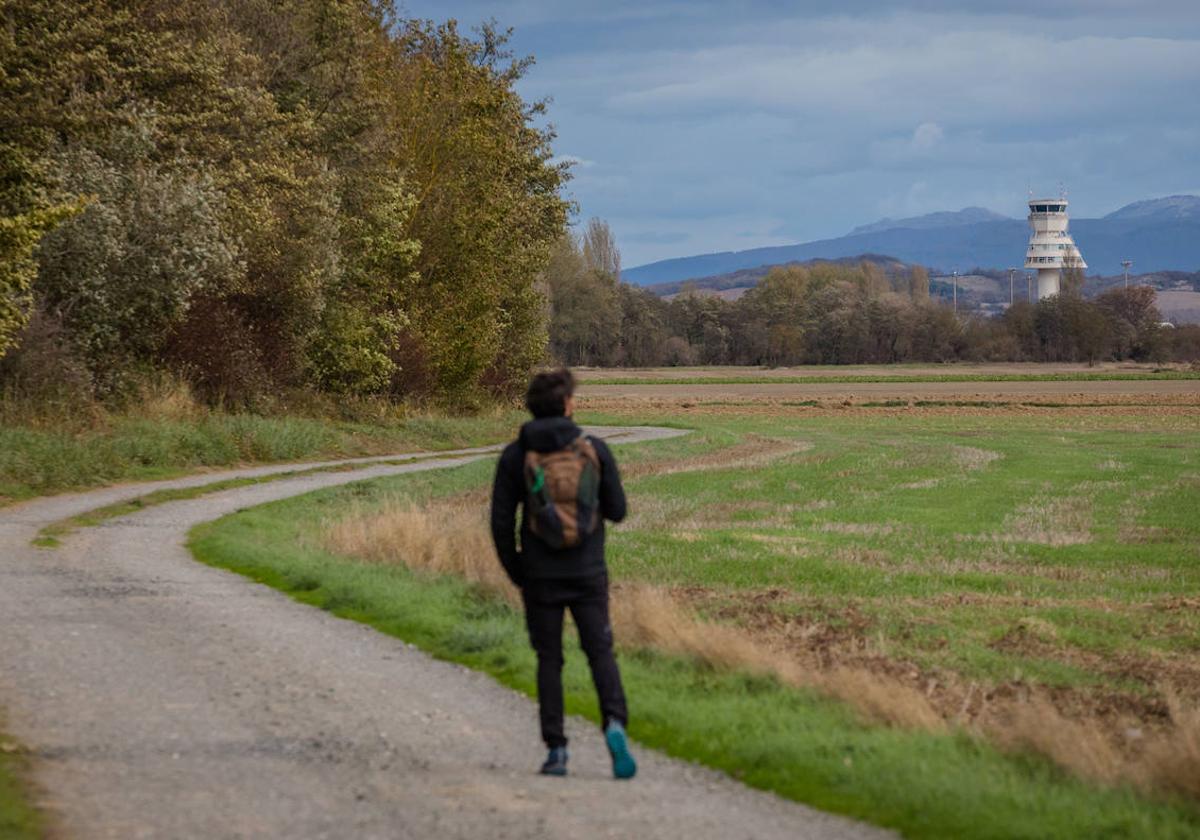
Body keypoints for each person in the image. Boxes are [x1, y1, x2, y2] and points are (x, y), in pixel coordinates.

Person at [490, 368, 636, 779]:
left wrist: (518, 570)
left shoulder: (516, 455)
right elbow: (619, 511)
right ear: (568, 405)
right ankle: (614, 724)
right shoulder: (593, 449)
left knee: (549, 659)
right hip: (588, 573)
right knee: (599, 651)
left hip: (539, 574)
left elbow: (501, 523)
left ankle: (557, 750)